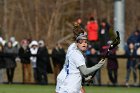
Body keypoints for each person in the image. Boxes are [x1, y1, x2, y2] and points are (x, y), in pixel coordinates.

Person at [55, 24, 106, 93]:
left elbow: (75, 68)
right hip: (69, 87)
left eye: (85, 42)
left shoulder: (71, 47)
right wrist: (99, 65)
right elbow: (85, 72)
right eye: (81, 42)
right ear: (77, 42)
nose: (84, 44)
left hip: (65, 81)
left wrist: (84, 79)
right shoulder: (77, 55)